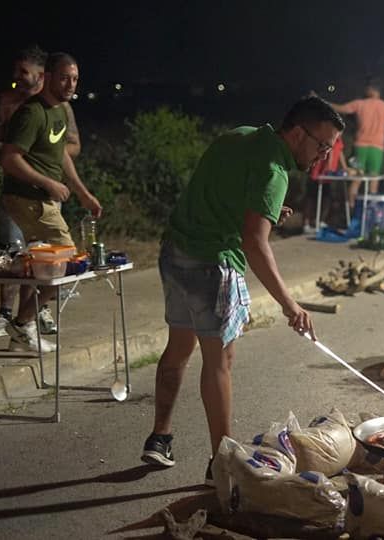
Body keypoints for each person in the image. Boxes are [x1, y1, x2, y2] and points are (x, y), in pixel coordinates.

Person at [140, 95, 343, 483]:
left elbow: (222, 191)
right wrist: (290, 304)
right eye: (322, 145)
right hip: (212, 266)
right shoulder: (275, 172)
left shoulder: (241, 136)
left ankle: (159, 437)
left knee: (179, 348)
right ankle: (223, 464)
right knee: (220, 362)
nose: (324, 155)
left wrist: (262, 212)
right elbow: (255, 242)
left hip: (175, 254)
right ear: (298, 132)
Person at [0, 52, 101, 353]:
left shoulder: (60, 111)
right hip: (26, 199)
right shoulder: (33, 113)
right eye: (64, 77)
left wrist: (82, 193)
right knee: (68, 260)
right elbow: (10, 158)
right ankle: (22, 324)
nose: (70, 84)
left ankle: (23, 326)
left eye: (75, 79)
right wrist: (46, 183)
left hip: (43, 200)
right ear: (47, 78)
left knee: (42, 267)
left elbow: (62, 157)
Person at [0, 46, 45, 340]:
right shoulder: (6, 102)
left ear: (40, 75)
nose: (16, 77)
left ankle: (28, 318)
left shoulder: (51, 106)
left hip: (43, 195)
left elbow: (71, 146)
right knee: (12, 253)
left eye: (23, 72)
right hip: (14, 191)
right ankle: (3, 314)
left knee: (38, 256)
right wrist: (16, 152)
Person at [331, 78, 384, 205]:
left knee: (356, 179)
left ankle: (351, 211)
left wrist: (321, 102)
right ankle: (369, 213)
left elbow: (342, 108)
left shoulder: (360, 104)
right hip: (377, 148)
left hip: (360, 147)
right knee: (373, 180)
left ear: (371, 89)